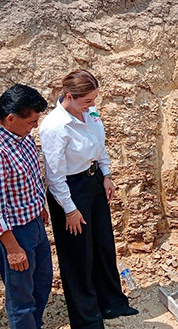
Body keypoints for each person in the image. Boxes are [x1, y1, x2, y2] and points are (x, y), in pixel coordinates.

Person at [39, 70, 138, 327]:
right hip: (70, 191)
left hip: (93, 181)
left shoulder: (90, 114)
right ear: (69, 97)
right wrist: (70, 211)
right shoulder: (54, 127)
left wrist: (106, 175)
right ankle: (86, 318)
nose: (92, 106)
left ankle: (112, 302)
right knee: (78, 255)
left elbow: (99, 145)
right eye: (87, 101)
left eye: (94, 100)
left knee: (103, 245)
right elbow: (55, 176)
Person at [0, 84, 52, 329]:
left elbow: (31, 176)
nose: (35, 127)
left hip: (32, 221)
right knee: (21, 296)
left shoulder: (19, 134)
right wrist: (13, 249)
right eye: (31, 122)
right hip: (13, 233)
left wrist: (40, 207)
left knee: (42, 281)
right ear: (11, 118)